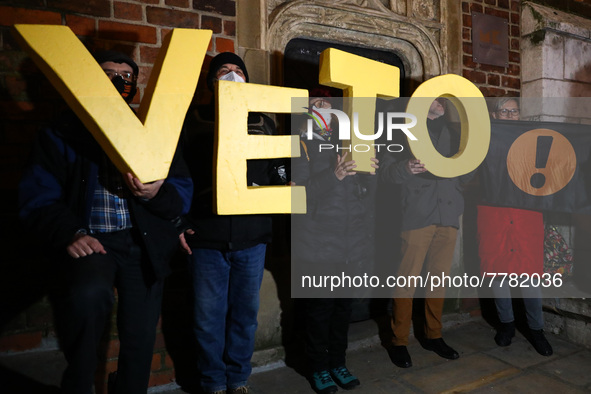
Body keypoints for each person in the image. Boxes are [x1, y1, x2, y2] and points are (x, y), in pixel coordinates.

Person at [18, 50, 193, 394]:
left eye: (125, 76)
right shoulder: (62, 131)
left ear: (135, 86)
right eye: (107, 73)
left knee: (141, 335)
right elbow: (37, 196)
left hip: (142, 243)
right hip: (93, 241)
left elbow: (182, 189)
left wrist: (157, 194)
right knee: (87, 298)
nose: (117, 81)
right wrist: (69, 232)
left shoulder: (154, 130)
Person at [179, 52, 285, 394]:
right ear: (211, 82)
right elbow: (178, 177)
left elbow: (275, 168)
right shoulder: (192, 121)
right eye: (224, 70)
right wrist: (179, 220)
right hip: (206, 236)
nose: (232, 74)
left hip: (251, 237)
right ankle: (212, 382)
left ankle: (238, 380)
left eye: (238, 70)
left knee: (244, 316)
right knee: (207, 318)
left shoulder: (263, 122)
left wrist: (284, 185)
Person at [291, 89, 378, 394]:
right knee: (319, 311)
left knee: (343, 309)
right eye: (316, 101)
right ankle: (318, 368)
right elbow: (297, 194)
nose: (324, 105)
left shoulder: (350, 141)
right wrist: (335, 175)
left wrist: (370, 174)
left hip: (349, 244)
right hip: (317, 244)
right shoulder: (298, 141)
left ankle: (338, 362)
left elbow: (365, 195)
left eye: (328, 101)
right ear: (306, 109)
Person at [380, 98, 469, 368]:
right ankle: (399, 341)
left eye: (444, 98)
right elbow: (385, 172)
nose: (440, 101)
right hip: (417, 215)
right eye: (435, 96)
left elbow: (464, 177)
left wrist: (472, 163)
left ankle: (433, 335)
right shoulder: (401, 129)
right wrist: (405, 167)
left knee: (438, 280)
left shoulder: (455, 134)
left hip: (448, 214)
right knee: (406, 280)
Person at [477, 97, 553, 356]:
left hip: (525, 213)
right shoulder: (483, 140)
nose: (510, 115)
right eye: (504, 111)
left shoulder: (533, 141)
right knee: (498, 272)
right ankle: (506, 325)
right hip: (494, 213)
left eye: (514, 110)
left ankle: (536, 329)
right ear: (495, 115)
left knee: (529, 273)